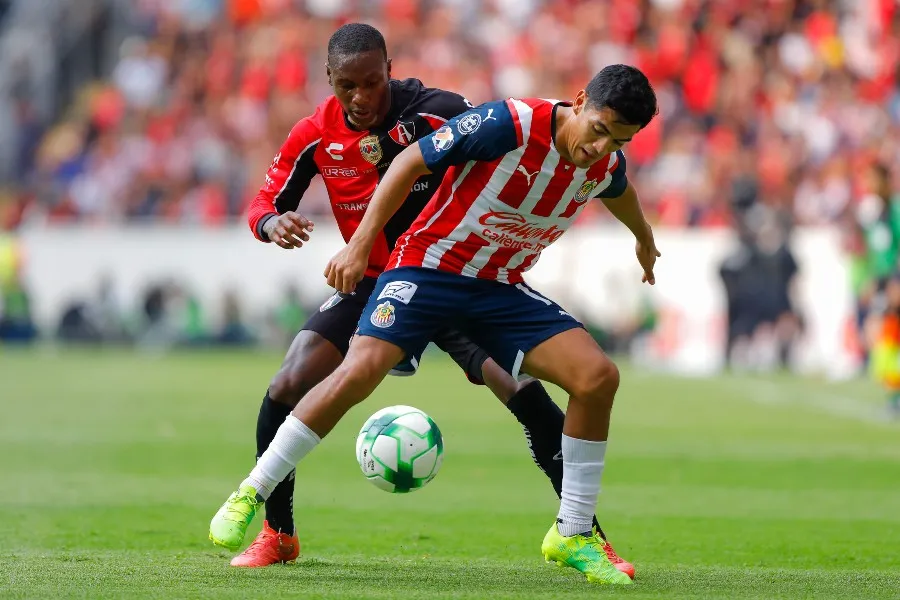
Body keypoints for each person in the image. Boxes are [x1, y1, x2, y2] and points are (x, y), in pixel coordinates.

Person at [210, 62, 658, 585]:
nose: (600, 147)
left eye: (618, 140)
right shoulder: (510, 123)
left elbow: (620, 190)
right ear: (580, 101)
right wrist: (359, 245)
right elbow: (409, 162)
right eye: (599, 130)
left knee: (598, 378)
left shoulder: (604, 165)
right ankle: (253, 492)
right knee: (359, 371)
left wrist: (644, 239)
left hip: (497, 288)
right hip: (429, 268)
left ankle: (575, 533)